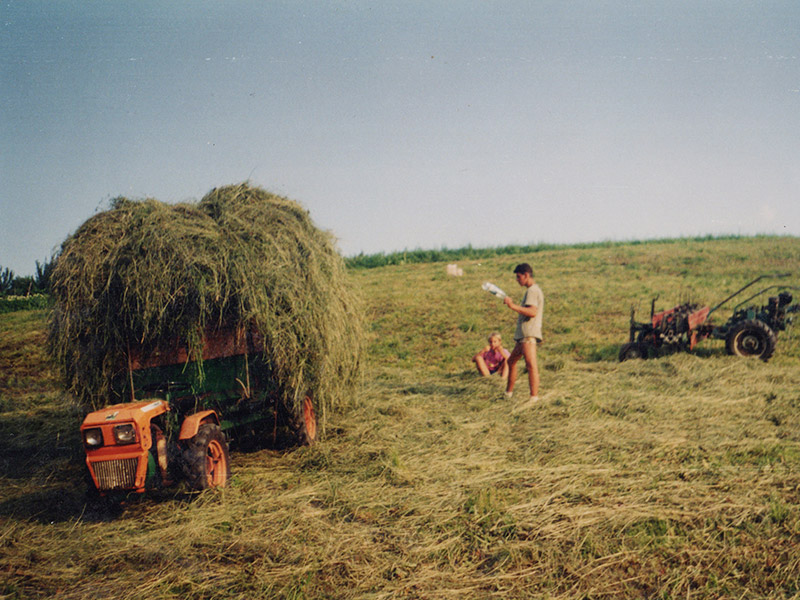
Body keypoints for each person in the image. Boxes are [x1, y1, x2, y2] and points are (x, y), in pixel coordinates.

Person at [503, 263, 544, 406]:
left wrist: (512, 306)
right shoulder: (532, 290)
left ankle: (534, 398)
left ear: (526, 275)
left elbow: (532, 312)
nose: (517, 280)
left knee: (531, 365)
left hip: (528, 335)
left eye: (518, 277)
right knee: (511, 361)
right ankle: (508, 393)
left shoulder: (533, 291)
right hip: (523, 336)